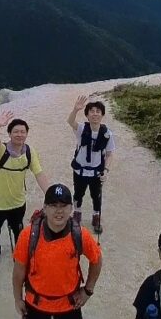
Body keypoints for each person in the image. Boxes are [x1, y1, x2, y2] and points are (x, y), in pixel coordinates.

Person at [10, 184, 103, 319]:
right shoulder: (28, 235)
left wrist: (88, 290)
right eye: (53, 205)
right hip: (36, 301)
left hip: (68, 302)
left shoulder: (80, 234)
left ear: (71, 209)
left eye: (63, 205)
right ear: (44, 208)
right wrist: (18, 298)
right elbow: (18, 271)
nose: (58, 211)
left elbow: (96, 260)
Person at [0, 110, 52, 268]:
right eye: (15, 131)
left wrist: (50, 195)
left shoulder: (29, 152)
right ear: (9, 133)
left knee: (19, 231)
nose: (19, 134)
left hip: (17, 202)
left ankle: (20, 252)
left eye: (23, 132)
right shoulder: (0, 150)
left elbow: (39, 174)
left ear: (27, 134)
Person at [66, 95, 116, 234]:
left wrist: (106, 170)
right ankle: (77, 213)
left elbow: (110, 153)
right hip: (80, 171)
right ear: (87, 115)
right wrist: (75, 110)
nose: (95, 114)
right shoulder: (82, 129)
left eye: (98, 111)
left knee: (96, 195)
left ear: (102, 115)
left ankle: (96, 216)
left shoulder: (107, 134)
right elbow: (70, 122)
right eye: (92, 111)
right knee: (78, 194)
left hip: (96, 172)